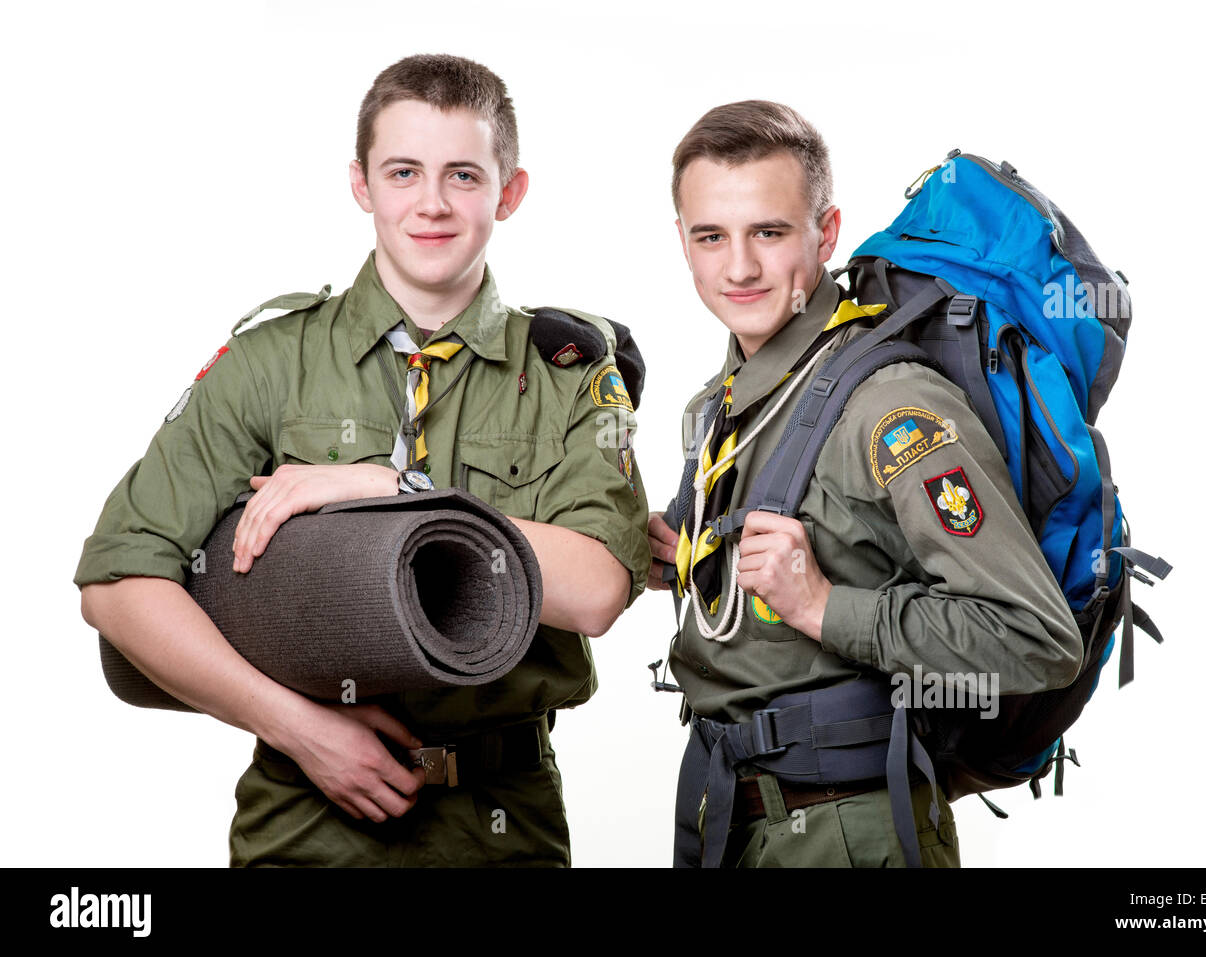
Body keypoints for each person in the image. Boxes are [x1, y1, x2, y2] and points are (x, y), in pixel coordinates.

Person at [75, 53, 650, 868]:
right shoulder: (272, 360)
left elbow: (595, 589)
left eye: (463, 175)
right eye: (404, 171)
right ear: (362, 184)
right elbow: (117, 581)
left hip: (502, 820)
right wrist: (297, 726)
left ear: (510, 191)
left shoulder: (568, 373)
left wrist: (397, 489)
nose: (432, 203)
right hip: (304, 822)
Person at [646, 101, 1082, 867]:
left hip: (849, 831)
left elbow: (1038, 639)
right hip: (731, 816)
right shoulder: (719, 404)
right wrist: (688, 559)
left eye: (769, 232)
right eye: (711, 235)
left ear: (827, 232)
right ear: (681, 241)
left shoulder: (892, 407)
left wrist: (824, 605)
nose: (738, 267)